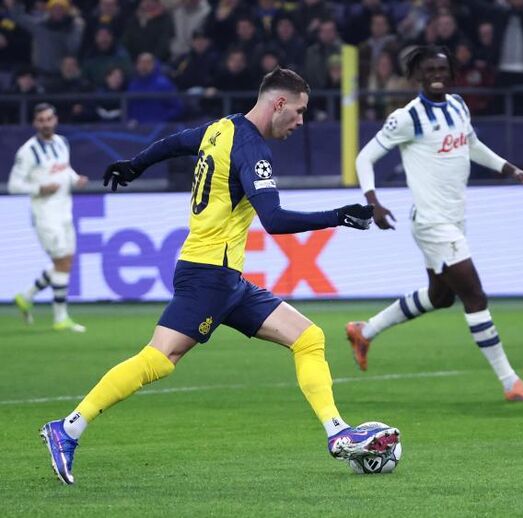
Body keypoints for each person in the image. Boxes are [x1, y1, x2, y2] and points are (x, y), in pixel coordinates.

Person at [38, 68, 399, 486]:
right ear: (279, 103)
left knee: (308, 338)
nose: (301, 121)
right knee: (159, 359)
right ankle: (68, 428)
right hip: (209, 276)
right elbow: (275, 220)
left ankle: (337, 432)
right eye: (299, 111)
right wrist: (338, 216)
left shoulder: (221, 129)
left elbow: (175, 142)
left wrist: (135, 165)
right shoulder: (252, 149)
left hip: (225, 279)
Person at [346, 46, 523, 403]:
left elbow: (472, 144)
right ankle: (511, 383)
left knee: (440, 297)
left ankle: (365, 331)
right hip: (432, 222)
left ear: (451, 73)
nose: (436, 75)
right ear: (418, 75)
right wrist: (373, 201)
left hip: (454, 218)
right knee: (474, 295)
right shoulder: (407, 118)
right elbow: (365, 157)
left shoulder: (458, 105)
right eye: (429, 70)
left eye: (442, 69)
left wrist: (510, 169)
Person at [10, 103, 89, 332]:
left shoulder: (61, 142)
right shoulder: (27, 151)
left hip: (65, 210)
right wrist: (39, 188)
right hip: (45, 215)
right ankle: (60, 318)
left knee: (65, 261)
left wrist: (75, 179)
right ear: (35, 123)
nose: (45, 124)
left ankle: (27, 296)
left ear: (55, 120)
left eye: (48, 119)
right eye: (41, 120)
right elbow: (14, 185)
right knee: (62, 261)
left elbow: (65, 169)